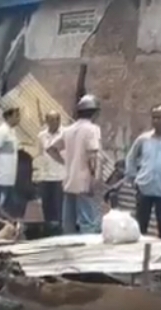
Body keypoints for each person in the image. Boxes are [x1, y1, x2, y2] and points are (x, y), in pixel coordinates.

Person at [47, 94, 104, 234]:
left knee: (69, 222)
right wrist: (94, 180)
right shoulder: (92, 129)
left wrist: (65, 162)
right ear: (95, 113)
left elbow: (51, 149)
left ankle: (68, 245)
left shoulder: (68, 130)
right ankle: (87, 246)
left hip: (69, 181)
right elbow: (93, 156)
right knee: (88, 221)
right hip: (85, 183)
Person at [125, 104, 161, 241]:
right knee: (140, 227)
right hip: (145, 188)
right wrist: (132, 177)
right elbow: (131, 157)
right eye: (153, 117)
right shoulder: (143, 139)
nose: (155, 121)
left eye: (159, 117)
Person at [34, 111, 66, 233]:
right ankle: (49, 229)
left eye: (57, 119)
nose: (54, 122)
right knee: (46, 204)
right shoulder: (41, 136)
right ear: (47, 121)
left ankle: (60, 229)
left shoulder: (65, 134)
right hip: (45, 175)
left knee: (59, 204)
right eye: (51, 120)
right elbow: (39, 155)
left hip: (60, 175)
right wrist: (38, 174)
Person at [0, 107, 22, 217]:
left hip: (10, 171)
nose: (18, 119)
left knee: (7, 196)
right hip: (2, 171)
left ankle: (3, 214)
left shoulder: (12, 131)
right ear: (8, 117)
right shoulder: (2, 131)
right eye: (16, 116)